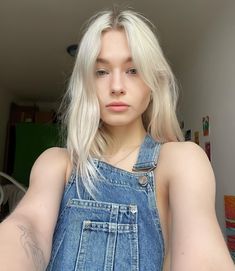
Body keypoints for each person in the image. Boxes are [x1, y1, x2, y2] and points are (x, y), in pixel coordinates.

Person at [0, 7, 234, 271]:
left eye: (133, 70)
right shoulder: (57, 164)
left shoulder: (181, 161)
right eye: (101, 72)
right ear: (86, 83)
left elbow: (201, 250)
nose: (117, 86)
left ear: (153, 81)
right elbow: (28, 225)